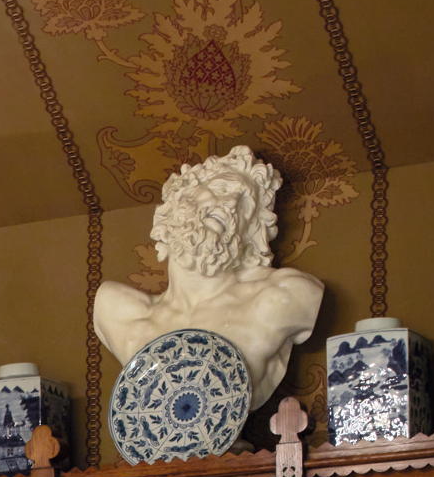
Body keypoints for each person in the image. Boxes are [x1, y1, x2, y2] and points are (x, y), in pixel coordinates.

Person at [91, 145, 324, 405]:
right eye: (222, 188)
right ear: (179, 200)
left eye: (245, 206)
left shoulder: (285, 296)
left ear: (251, 233)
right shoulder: (115, 310)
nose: (231, 204)